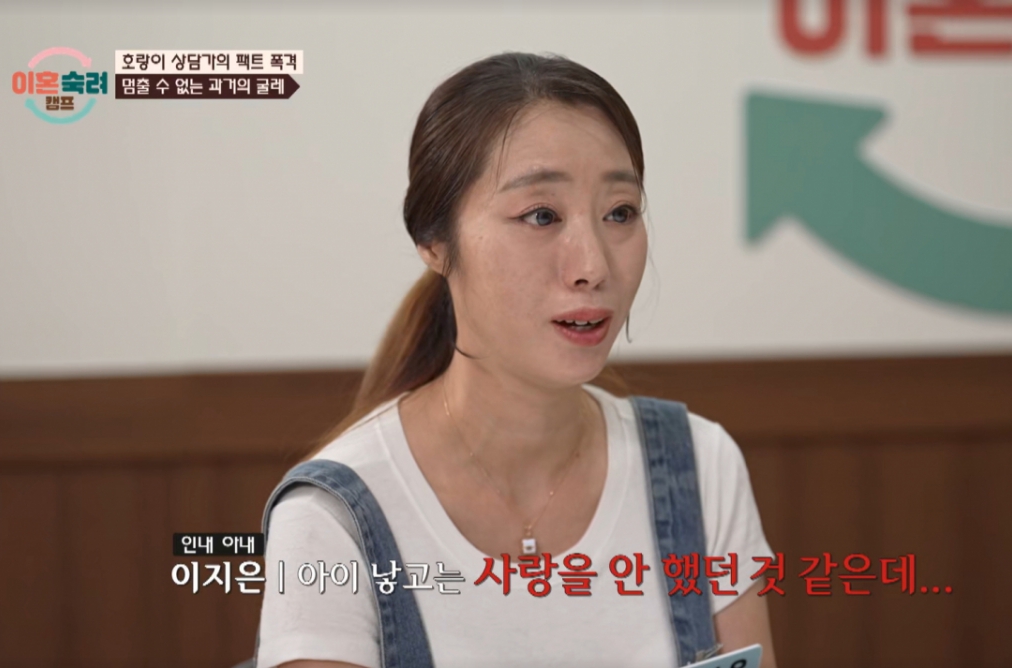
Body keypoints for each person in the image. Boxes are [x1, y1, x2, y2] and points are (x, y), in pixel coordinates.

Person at [254, 51, 778, 668]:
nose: (593, 266)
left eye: (620, 212)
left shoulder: (699, 467)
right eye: (540, 215)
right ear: (434, 241)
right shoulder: (331, 518)